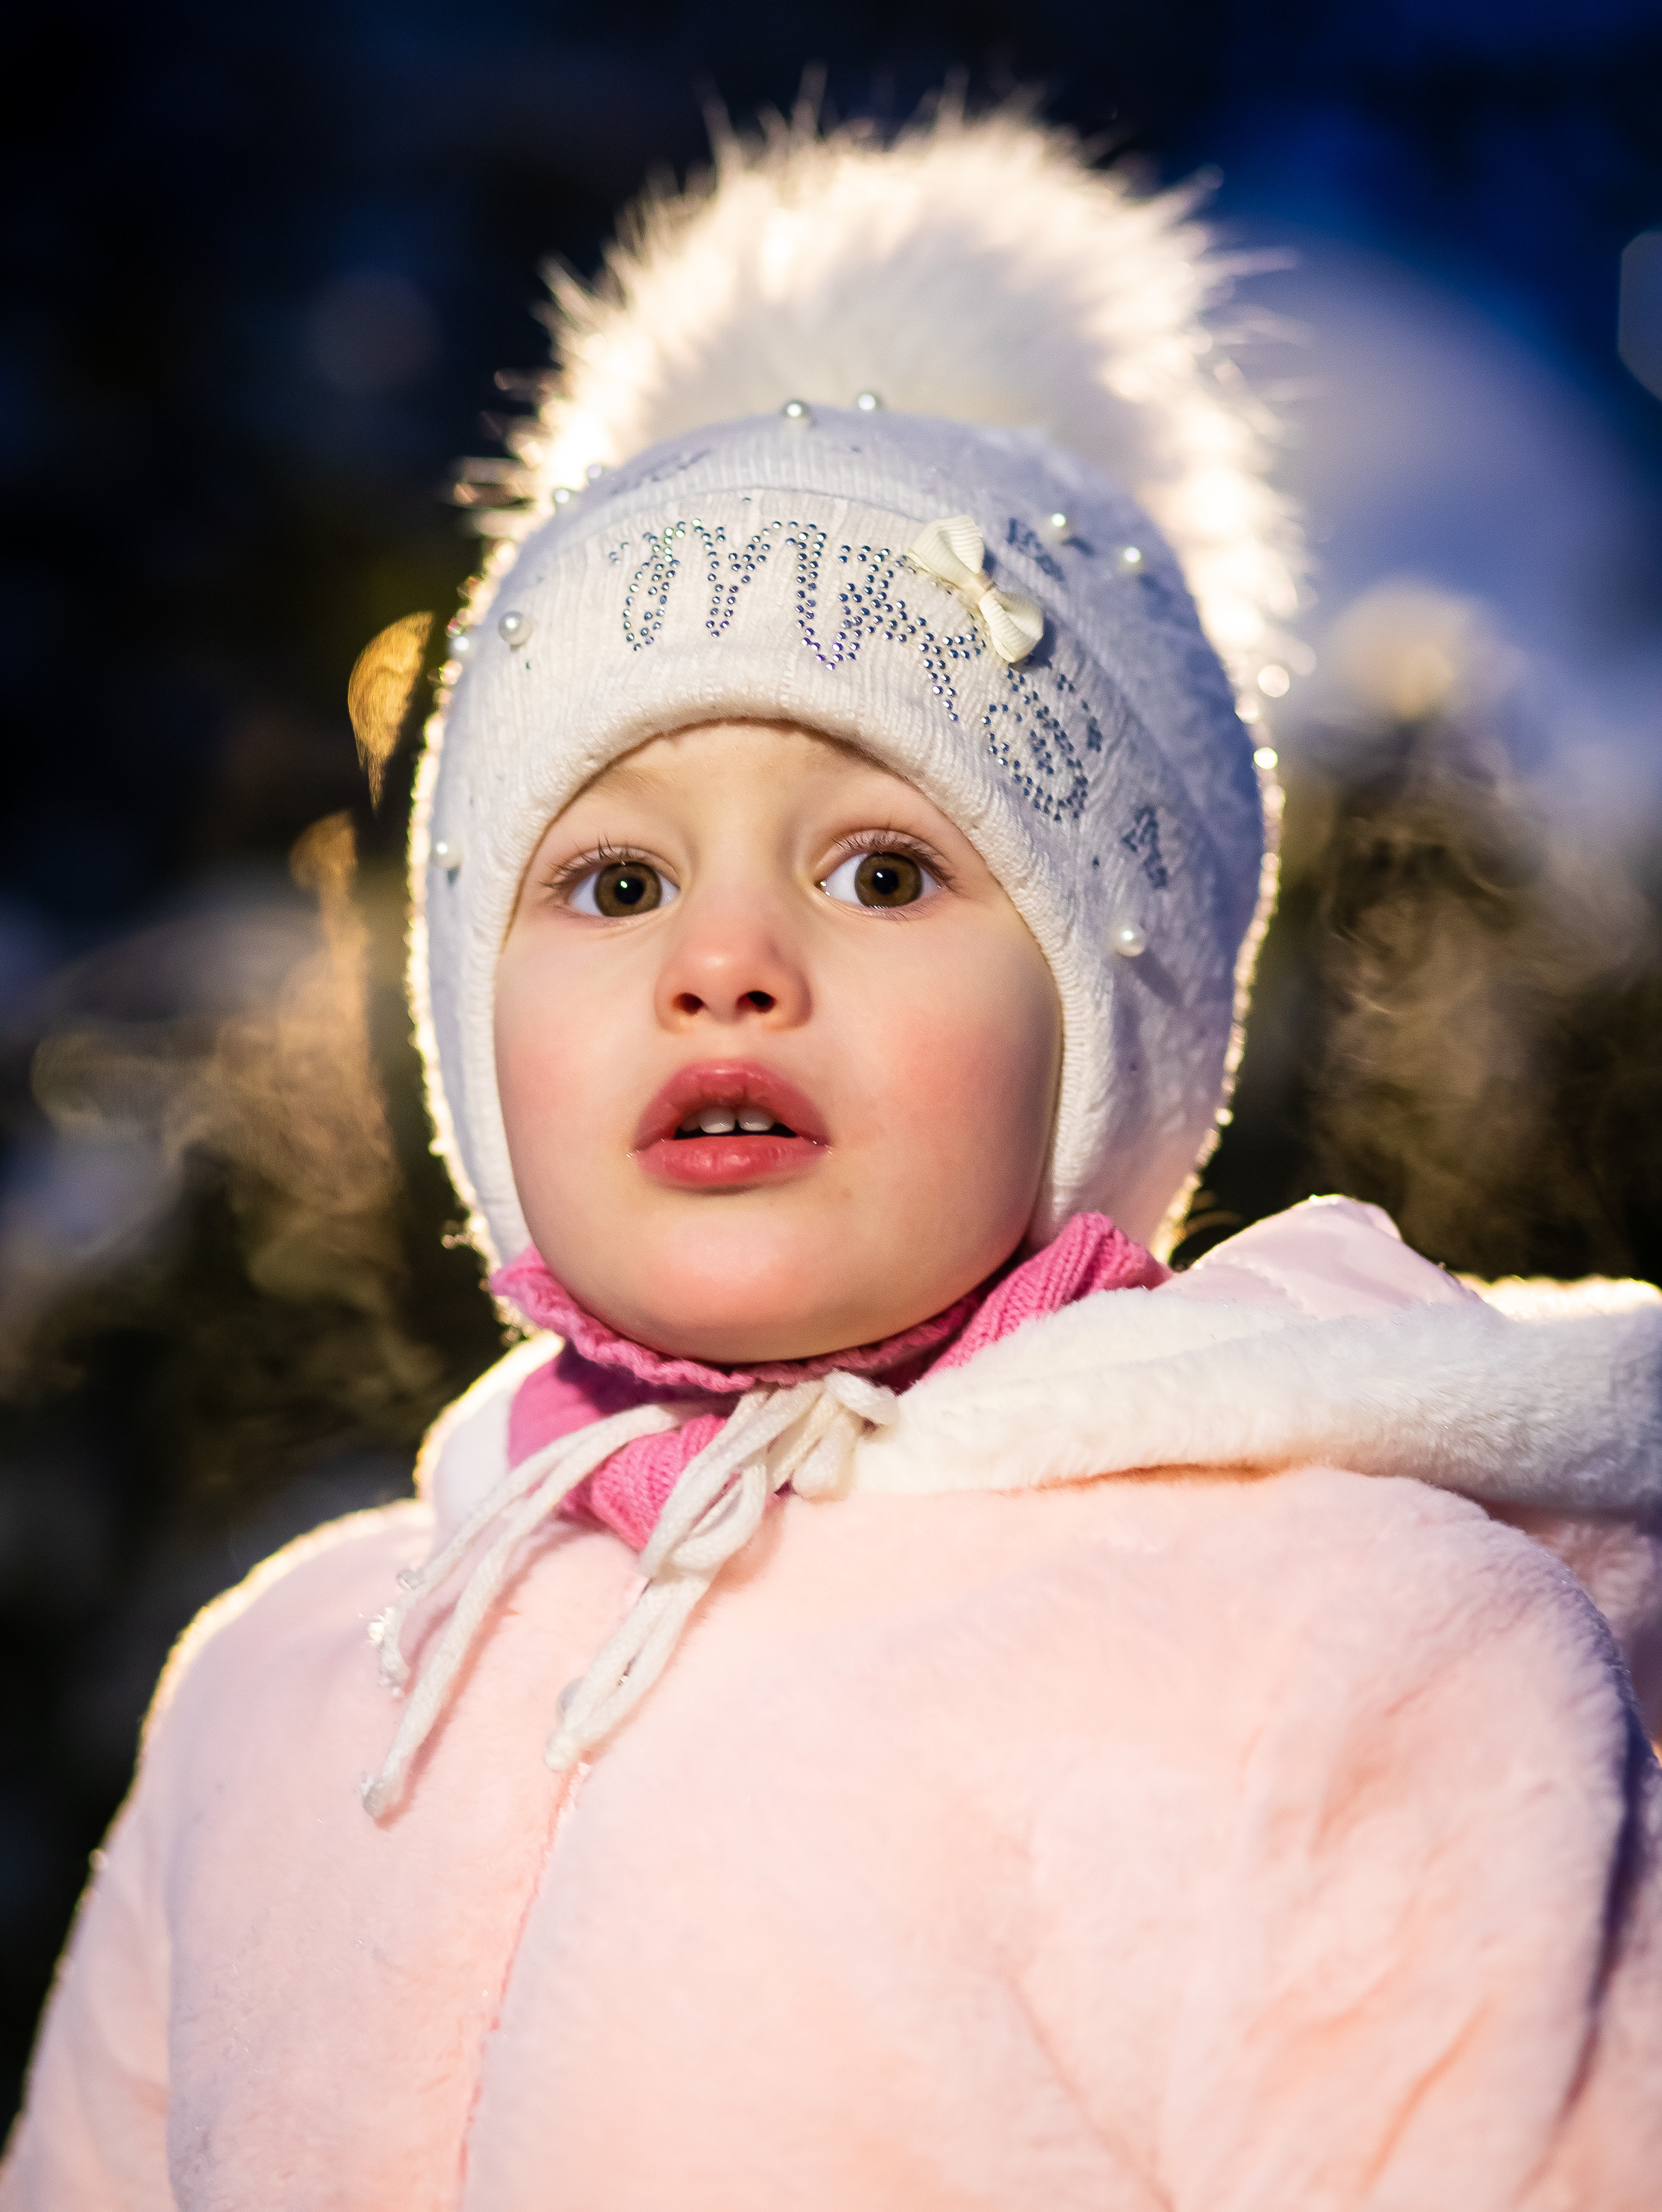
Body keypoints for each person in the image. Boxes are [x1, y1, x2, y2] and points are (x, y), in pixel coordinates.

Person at [7, 104, 1662, 2211]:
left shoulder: (1333, 1652)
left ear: (1116, 1021)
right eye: (607, 884)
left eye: (884, 869)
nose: (723, 964)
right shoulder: (290, 1700)